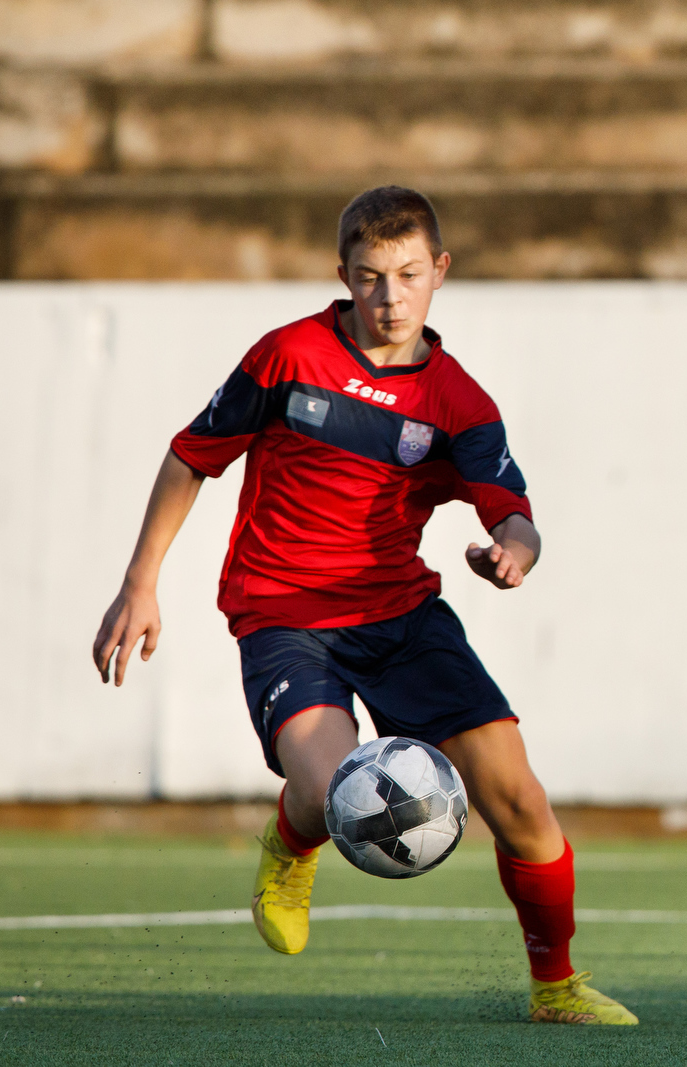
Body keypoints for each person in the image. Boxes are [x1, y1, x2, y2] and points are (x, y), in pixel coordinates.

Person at [91, 186, 636, 1027]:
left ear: (440, 272)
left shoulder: (458, 401)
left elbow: (513, 511)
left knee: (521, 802)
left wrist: (512, 555)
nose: (390, 298)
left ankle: (556, 986)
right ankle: (291, 841)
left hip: (403, 620)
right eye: (371, 277)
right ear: (341, 275)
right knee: (330, 788)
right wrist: (140, 582)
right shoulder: (286, 355)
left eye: (408, 275)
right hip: (285, 618)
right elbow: (192, 456)